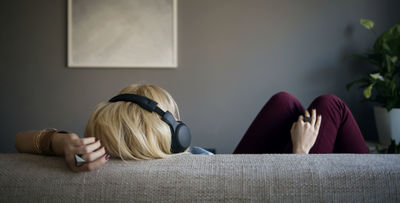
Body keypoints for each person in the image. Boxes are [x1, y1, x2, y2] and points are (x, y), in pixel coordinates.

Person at [14, 84, 368, 172]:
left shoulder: (100, 157)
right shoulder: (188, 169)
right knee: (330, 105)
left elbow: (20, 140)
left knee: (285, 103)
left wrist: (64, 143)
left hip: (226, 167)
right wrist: (299, 155)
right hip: (244, 182)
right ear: (174, 136)